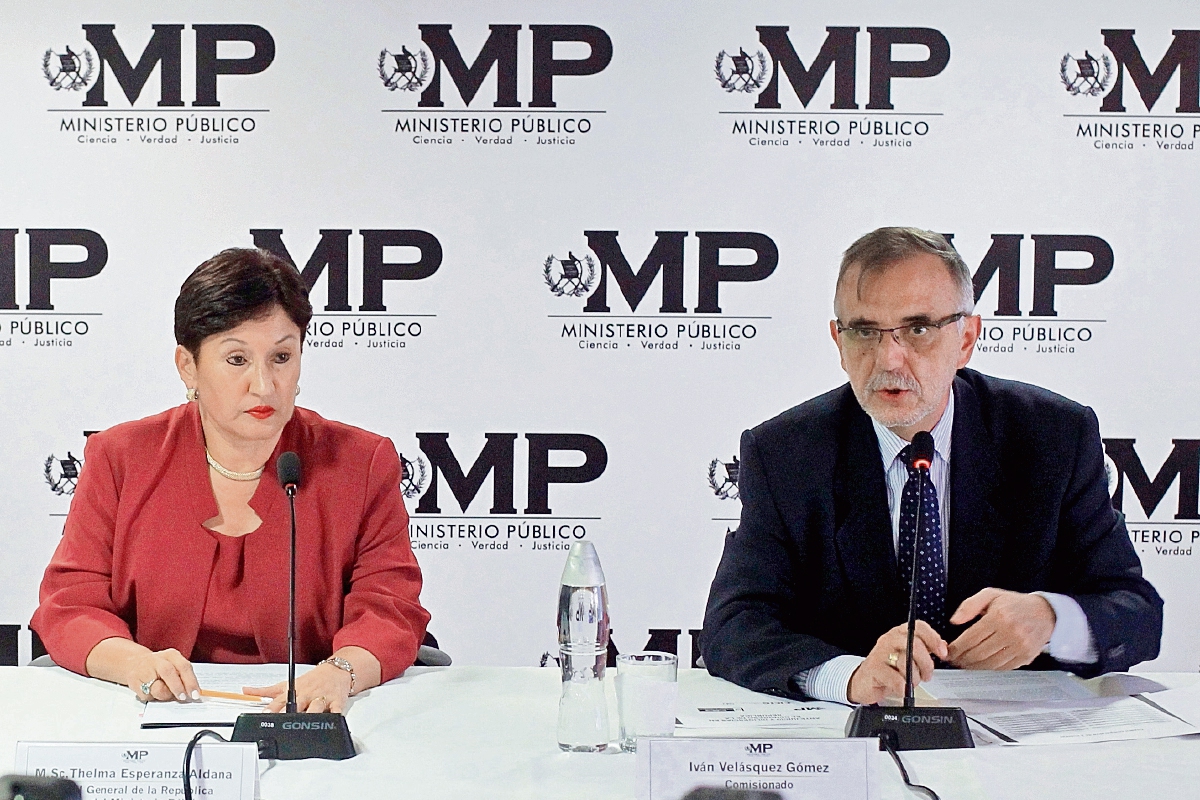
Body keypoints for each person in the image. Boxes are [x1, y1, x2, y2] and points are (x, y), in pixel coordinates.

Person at [701, 227, 1162, 706]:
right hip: (859, 742)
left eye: (917, 328)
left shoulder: (1052, 436)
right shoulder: (786, 452)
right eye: (864, 330)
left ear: (966, 339)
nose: (889, 358)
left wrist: (1049, 619)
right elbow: (734, 625)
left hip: (1020, 745)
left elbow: (1137, 613)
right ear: (838, 341)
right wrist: (851, 677)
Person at [32, 248, 430, 713]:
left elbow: (390, 607)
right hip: (153, 712)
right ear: (188, 366)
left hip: (307, 714)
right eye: (237, 359)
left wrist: (341, 672)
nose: (264, 385)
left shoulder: (362, 462)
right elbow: (70, 605)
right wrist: (132, 665)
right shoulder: (119, 457)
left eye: (281, 356)